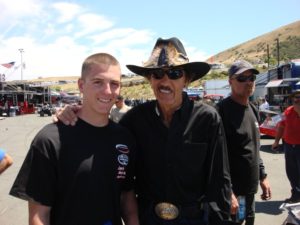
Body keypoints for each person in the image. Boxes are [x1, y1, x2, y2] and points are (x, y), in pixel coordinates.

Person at [55, 37, 232, 225]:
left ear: (186, 79)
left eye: (174, 73)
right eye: (157, 74)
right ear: (150, 79)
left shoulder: (207, 119)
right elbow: (102, 132)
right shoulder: (135, 119)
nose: (164, 81)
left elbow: (220, 180)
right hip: (147, 218)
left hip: (194, 218)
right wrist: (72, 112)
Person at [10, 53, 139, 225]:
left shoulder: (125, 138)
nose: (107, 91)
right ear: (81, 85)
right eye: (98, 82)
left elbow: (126, 197)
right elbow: (39, 216)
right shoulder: (50, 140)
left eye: (114, 84)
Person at [216, 60, 272, 225]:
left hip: (249, 191)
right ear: (230, 81)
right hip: (234, 194)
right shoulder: (221, 112)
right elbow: (217, 158)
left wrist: (263, 177)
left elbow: (254, 148)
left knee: (249, 221)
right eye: (241, 78)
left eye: (251, 77)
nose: (248, 82)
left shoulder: (253, 109)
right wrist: (228, 192)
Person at [272, 89, 300, 203]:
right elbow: (281, 126)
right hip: (289, 146)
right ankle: (296, 194)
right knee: (291, 172)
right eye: (296, 97)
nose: (297, 100)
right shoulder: (288, 111)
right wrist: (276, 141)